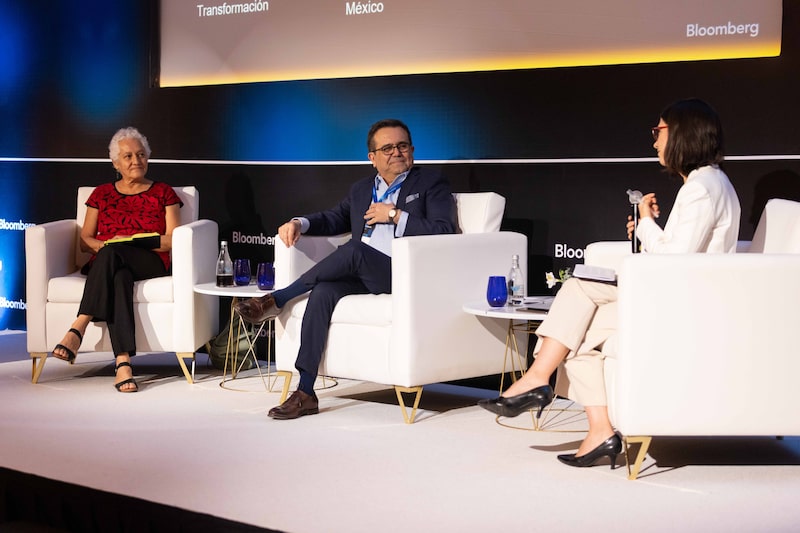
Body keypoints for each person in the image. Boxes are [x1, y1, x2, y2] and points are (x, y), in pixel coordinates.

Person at [479, 98, 741, 468]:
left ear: (683, 133)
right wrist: (649, 228)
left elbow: (676, 261)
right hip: (679, 295)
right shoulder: (708, 183)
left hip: (684, 302)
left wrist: (648, 224)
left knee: (580, 285)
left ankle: (537, 378)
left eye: (659, 132)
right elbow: (682, 252)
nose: (654, 142)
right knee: (580, 338)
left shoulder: (702, 187)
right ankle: (600, 430)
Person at [235, 118, 457, 419]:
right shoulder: (362, 189)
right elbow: (333, 218)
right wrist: (299, 222)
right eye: (388, 148)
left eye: (402, 146)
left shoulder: (430, 183)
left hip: (405, 275)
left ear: (413, 150)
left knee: (353, 250)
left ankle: (278, 298)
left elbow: (445, 230)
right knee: (323, 291)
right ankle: (306, 392)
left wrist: (394, 214)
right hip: (365, 274)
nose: (397, 152)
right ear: (372, 158)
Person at [51, 127, 183, 393]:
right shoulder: (100, 194)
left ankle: (79, 325)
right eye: (128, 156)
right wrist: (107, 246)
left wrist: (132, 241)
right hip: (108, 262)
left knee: (113, 253)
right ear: (115, 163)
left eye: (141, 155)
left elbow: (171, 240)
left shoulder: (163, 192)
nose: (136, 161)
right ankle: (123, 362)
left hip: (150, 261)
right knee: (119, 275)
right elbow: (85, 239)